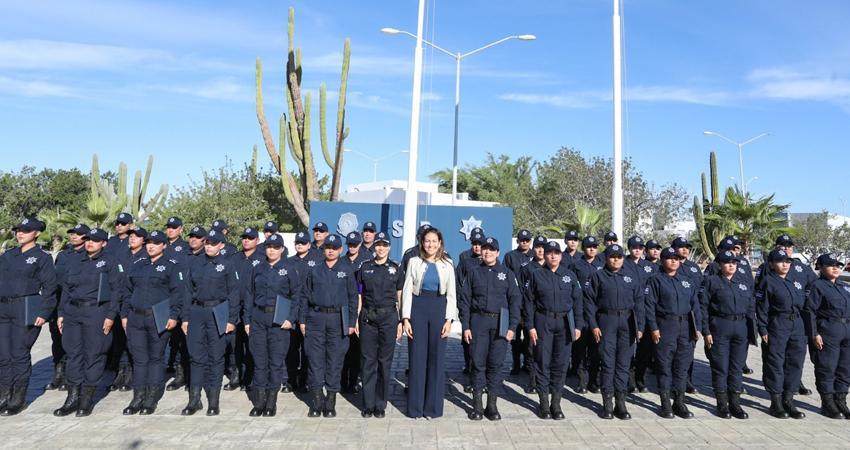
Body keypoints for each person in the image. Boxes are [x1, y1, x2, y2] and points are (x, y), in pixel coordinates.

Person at [54, 228, 124, 417]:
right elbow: (67, 289)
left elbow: (117, 290)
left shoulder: (110, 261)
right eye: (88, 239)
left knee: (94, 353)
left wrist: (111, 316)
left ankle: (86, 399)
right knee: (73, 353)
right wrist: (61, 312)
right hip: (73, 312)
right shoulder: (75, 260)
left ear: (104, 243)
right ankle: (72, 397)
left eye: (95, 240)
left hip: (97, 311)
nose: (89, 243)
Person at [120, 230, 185, 415]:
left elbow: (177, 294)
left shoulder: (172, 266)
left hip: (158, 317)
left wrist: (174, 316)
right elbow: (127, 291)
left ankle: (151, 398)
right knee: (139, 360)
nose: (150, 246)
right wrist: (124, 315)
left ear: (164, 245)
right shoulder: (138, 265)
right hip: (136, 318)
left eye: (156, 243)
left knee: (156, 358)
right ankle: (137, 397)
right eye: (148, 242)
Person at [459, 237, 522, 421]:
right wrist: (466, 326)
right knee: (477, 364)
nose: (487, 252)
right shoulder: (473, 272)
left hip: (500, 323)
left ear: (498, 252)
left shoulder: (507, 274)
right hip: (478, 321)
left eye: (491, 249)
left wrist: (512, 327)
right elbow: (465, 301)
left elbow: (515, 301)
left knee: (496, 365)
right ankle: (477, 406)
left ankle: (492, 406)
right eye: (485, 249)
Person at [0, 217, 57, 415]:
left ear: (37, 233)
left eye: (25, 230)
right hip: (4, 308)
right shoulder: (8, 255)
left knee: (19, 354)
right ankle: (4, 394)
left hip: (26, 307)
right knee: (3, 355)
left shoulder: (41, 257)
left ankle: (18, 398)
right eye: (18, 230)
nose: (20, 233)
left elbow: (50, 287)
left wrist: (44, 312)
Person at [180, 229, 240, 416]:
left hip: (218, 312)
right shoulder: (195, 263)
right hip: (197, 312)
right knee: (196, 357)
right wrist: (185, 318)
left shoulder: (228, 265)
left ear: (222, 245)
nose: (209, 246)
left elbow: (234, 294)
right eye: (207, 243)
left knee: (215, 357)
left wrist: (231, 319)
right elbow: (187, 292)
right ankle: (194, 400)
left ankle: (213, 402)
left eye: (214, 243)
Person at [299, 234, 358, 418]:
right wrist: (302, 320)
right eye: (327, 247)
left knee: (335, 360)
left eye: (334, 247)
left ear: (341, 250)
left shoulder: (347, 270)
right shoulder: (314, 270)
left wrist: (351, 322)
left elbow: (352, 298)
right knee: (315, 359)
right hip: (315, 318)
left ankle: (330, 400)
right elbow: (304, 296)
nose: (330, 250)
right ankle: (316, 401)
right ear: (323, 249)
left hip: (337, 319)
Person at [401, 227, 457, 418]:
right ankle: (415, 408)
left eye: (434, 241)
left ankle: (432, 408)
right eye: (427, 241)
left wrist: (449, 320)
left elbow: (452, 295)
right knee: (417, 358)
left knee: (436, 359)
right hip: (418, 308)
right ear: (422, 243)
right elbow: (407, 290)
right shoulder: (414, 262)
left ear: (440, 243)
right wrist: (405, 318)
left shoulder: (447, 264)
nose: (431, 244)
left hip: (439, 308)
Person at [584, 244, 645, 420]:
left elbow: (639, 302)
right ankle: (607, 403)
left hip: (627, 322)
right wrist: (594, 325)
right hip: (606, 321)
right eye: (612, 256)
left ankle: (621, 402)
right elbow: (589, 303)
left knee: (624, 364)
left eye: (619, 256)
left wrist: (640, 327)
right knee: (608, 363)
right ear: (607, 258)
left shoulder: (630, 277)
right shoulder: (598, 276)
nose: (616, 259)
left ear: (623, 258)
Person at [525, 241, 583, 420]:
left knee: (561, 363)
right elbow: (528, 302)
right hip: (543, 321)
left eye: (556, 253)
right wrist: (530, 326)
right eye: (549, 253)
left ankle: (556, 404)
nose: (552, 256)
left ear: (561, 255)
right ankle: (543, 404)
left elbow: (578, 302)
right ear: (545, 255)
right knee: (542, 361)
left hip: (565, 322)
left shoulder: (570, 275)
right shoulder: (536, 275)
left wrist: (578, 326)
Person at [244, 234, 300, 417]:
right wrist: (247, 320)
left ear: (282, 250)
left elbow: (296, 297)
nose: (272, 250)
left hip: (279, 320)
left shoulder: (289, 269)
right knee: (259, 362)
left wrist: (290, 319)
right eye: (269, 247)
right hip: (259, 318)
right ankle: (259, 402)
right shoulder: (257, 268)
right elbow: (249, 295)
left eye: (276, 247)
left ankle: (271, 403)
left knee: (275, 363)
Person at [645, 247, 701, 419]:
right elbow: (649, 306)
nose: (674, 261)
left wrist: (697, 327)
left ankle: (679, 401)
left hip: (685, 326)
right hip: (665, 325)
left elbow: (695, 305)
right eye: (669, 258)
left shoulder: (686, 281)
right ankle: (665, 404)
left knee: (682, 367)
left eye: (676, 258)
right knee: (664, 366)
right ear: (662, 261)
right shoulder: (655, 280)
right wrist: (654, 328)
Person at [700, 251, 754, 419]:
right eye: (727, 262)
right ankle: (722, 404)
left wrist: (753, 330)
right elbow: (703, 308)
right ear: (720, 264)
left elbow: (751, 307)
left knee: (736, 367)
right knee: (721, 367)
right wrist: (706, 331)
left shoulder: (743, 283)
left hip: (740, 327)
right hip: (720, 326)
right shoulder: (711, 282)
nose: (731, 265)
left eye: (734, 262)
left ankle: (735, 403)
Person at [356, 232, 404, 418]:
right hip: (368, 317)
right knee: (368, 361)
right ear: (373, 246)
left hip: (389, 318)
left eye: (384, 245)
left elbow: (400, 296)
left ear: (389, 247)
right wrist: (356, 319)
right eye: (378, 245)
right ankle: (368, 404)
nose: (381, 248)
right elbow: (359, 295)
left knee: (384, 363)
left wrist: (401, 320)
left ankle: (380, 404)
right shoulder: (364, 268)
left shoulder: (396, 268)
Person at [756, 248, 807, 419]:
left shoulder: (796, 281)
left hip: (797, 324)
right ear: (771, 264)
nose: (785, 264)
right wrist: (762, 328)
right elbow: (762, 308)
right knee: (775, 363)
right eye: (780, 261)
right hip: (778, 323)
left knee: (796, 362)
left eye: (788, 261)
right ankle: (776, 402)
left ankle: (789, 399)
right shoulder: (768, 282)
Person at [805, 253, 850, 419]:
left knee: (845, 368)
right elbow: (810, 311)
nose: (836, 268)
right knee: (827, 368)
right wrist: (814, 333)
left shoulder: (844, 286)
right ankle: (828, 403)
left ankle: (841, 400)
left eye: (838, 265)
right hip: (828, 330)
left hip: (846, 330)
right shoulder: (817, 286)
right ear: (821, 268)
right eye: (831, 265)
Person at [47, 223, 89, 392]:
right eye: (72, 233)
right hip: (58, 303)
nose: (74, 236)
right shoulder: (63, 255)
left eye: (78, 234)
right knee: (57, 339)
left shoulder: (89, 256)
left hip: (76, 304)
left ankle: (73, 377)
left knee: (75, 343)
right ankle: (58, 373)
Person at [166, 225, 206, 392]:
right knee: (177, 342)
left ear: (204, 240)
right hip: (178, 303)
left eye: (197, 237)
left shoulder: (206, 257)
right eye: (192, 236)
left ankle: (196, 377)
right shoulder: (182, 255)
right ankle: (180, 374)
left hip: (197, 306)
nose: (193, 239)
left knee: (197, 344)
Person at [286, 230, 323, 393]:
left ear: (309, 244)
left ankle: (307, 379)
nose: (299, 245)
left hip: (309, 309)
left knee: (309, 348)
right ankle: (291, 380)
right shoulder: (288, 262)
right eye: (297, 243)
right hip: (291, 308)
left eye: (303, 243)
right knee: (291, 347)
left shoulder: (318, 260)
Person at [571, 236, 604, 394]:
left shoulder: (602, 265)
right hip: (581, 313)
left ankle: (594, 381)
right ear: (583, 248)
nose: (592, 249)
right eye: (588, 246)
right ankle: (581, 381)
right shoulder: (576, 266)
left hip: (598, 314)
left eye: (594, 246)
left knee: (596, 349)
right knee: (579, 349)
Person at [517, 235, 548, 393]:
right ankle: (533, 381)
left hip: (548, 316)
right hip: (532, 314)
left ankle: (545, 380)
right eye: (538, 247)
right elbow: (522, 293)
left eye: (543, 247)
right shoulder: (527, 268)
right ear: (533, 249)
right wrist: (523, 316)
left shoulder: (553, 268)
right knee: (531, 348)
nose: (541, 250)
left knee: (547, 348)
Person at [340, 231, 370, 394]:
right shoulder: (341, 261)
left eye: (355, 244)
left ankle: (353, 382)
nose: (352, 247)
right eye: (350, 244)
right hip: (342, 307)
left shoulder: (365, 262)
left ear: (359, 244)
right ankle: (342, 382)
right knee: (343, 348)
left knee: (357, 349)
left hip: (359, 308)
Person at [503, 229, 533, 377]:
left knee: (529, 337)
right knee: (514, 337)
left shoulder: (535, 256)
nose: (524, 242)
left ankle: (528, 364)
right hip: (514, 302)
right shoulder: (510, 256)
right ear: (518, 241)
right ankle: (515, 365)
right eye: (522, 240)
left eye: (527, 240)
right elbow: (505, 277)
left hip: (530, 304)